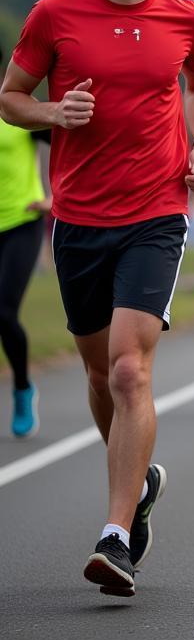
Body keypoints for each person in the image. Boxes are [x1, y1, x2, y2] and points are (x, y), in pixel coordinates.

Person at [0, 0, 194, 595]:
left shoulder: (185, 18)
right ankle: (141, 477)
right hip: (78, 218)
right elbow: (11, 98)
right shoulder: (53, 14)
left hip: (155, 212)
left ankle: (116, 535)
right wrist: (54, 113)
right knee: (100, 376)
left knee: (129, 371)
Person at [0, 42, 50, 438]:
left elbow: (73, 145)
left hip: (22, 220)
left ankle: (21, 387)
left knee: (3, 311)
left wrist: (56, 199)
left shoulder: (15, 108)